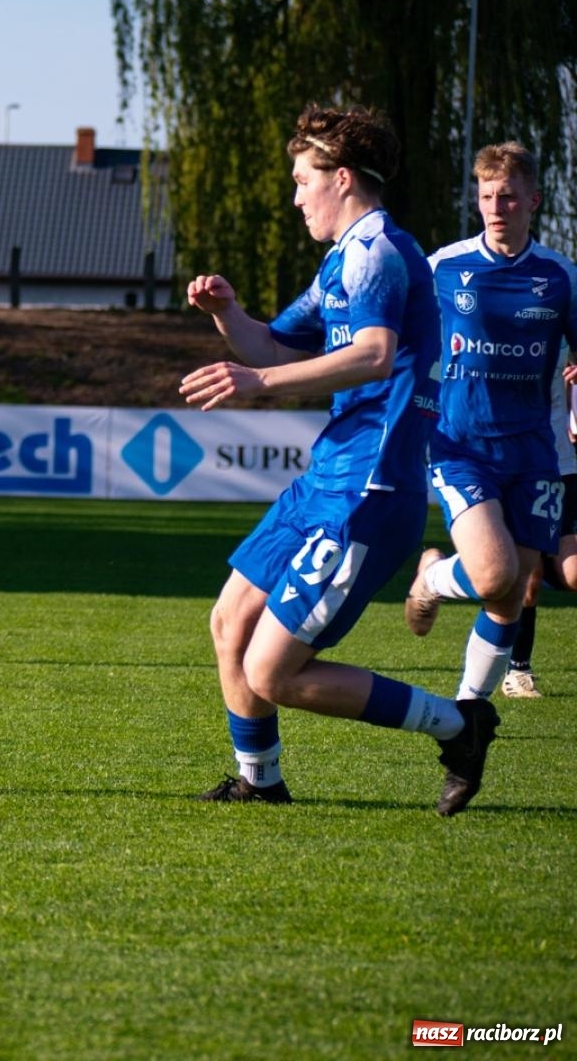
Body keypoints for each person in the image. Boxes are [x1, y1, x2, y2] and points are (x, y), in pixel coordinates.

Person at [180, 103, 498, 817]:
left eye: (302, 180)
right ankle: (260, 780)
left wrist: (257, 384)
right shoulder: (341, 260)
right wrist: (228, 314)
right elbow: (273, 346)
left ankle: (459, 724)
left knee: (272, 670)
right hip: (324, 480)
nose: (295, 197)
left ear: (342, 178)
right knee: (230, 623)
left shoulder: (381, 250)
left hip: (371, 491)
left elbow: (375, 355)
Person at [402, 144, 577, 705]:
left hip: (535, 453)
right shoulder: (445, 267)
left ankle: (469, 715)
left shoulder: (561, 276)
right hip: (462, 446)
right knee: (496, 575)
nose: (496, 207)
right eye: (485, 196)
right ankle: (430, 578)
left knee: (511, 594)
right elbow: (401, 335)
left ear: (533, 200)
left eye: (506, 196)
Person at [503, 358, 577, 696]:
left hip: (565, 464)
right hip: (523, 464)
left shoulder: (565, 316)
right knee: (528, 577)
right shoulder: (502, 324)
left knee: (573, 573)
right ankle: (518, 670)